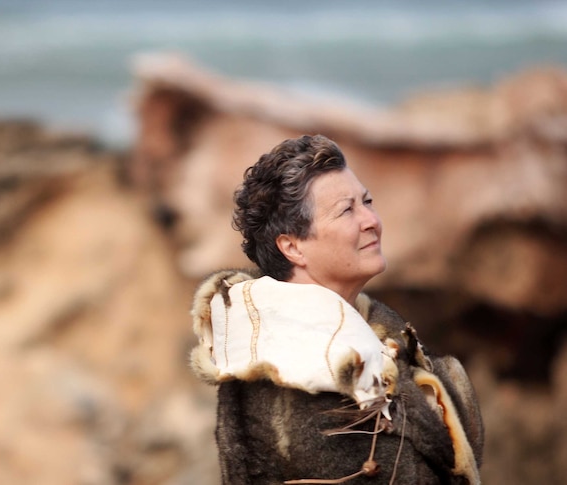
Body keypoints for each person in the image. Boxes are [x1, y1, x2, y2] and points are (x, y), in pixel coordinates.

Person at [189, 135, 483, 484]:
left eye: (367, 201)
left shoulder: (369, 337)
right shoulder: (296, 376)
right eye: (347, 210)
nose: (371, 220)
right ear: (293, 247)